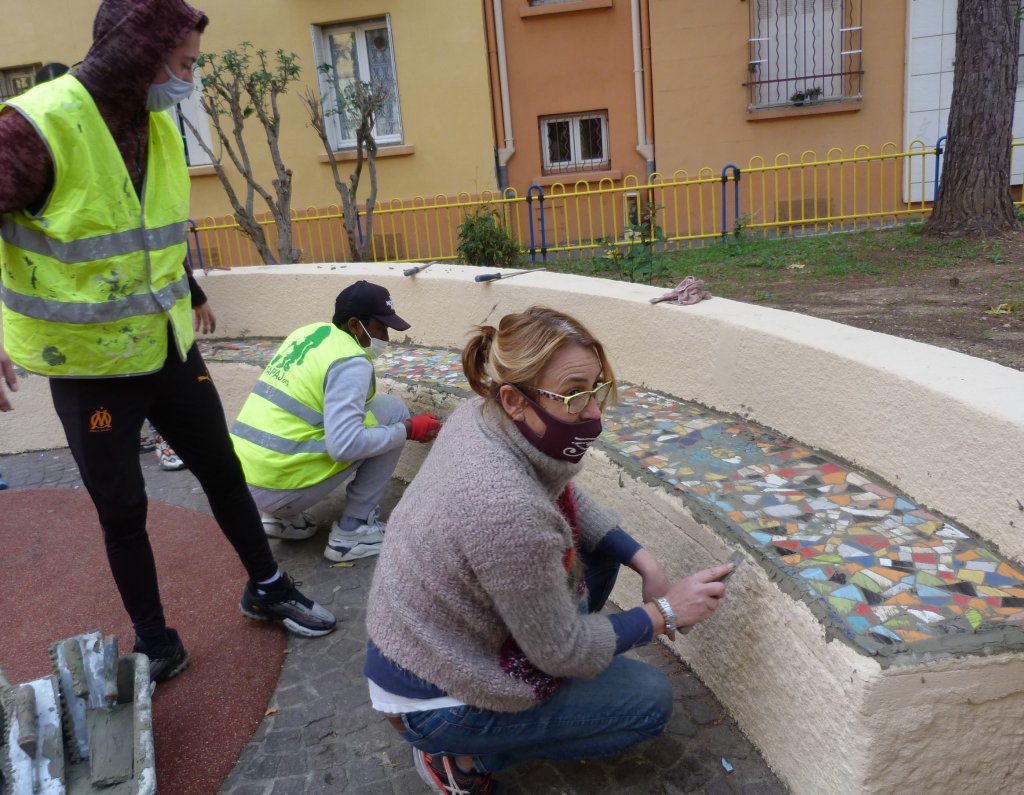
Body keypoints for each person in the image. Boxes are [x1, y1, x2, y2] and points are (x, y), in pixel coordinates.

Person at [0, 0, 336, 683]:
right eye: (184, 64)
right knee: (122, 507)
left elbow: (143, 225)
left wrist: (193, 289)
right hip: (92, 372)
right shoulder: (36, 126)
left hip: (167, 350)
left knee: (222, 466)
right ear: (139, 56)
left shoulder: (154, 121)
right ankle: (155, 641)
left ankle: (267, 585)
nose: (191, 80)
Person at [365, 307, 734, 794]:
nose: (595, 412)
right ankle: (462, 758)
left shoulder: (482, 416)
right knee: (649, 702)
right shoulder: (504, 509)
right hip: (435, 691)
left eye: (596, 388)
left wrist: (644, 560)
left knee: (599, 553)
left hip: (425, 640)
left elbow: (560, 496)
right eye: (575, 394)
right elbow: (564, 652)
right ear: (515, 399)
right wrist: (664, 612)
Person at [231, 280, 441, 562]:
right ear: (355, 325)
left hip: (242, 481)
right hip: (279, 487)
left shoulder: (309, 334)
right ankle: (353, 532)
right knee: (394, 413)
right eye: (381, 328)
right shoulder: (350, 361)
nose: (386, 339)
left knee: (371, 412)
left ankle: (281, 519)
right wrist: (408, 429)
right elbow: (344, 446)